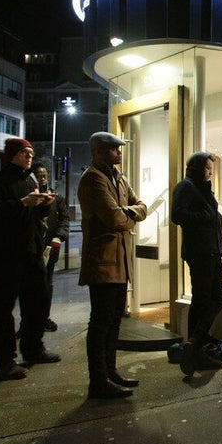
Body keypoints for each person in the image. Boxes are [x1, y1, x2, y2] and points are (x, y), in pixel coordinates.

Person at [0, 138, 62, 381]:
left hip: (32, 252)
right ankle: (5, 361)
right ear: (12, 155)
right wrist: (22, 203)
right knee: (4, 310)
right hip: (5, 255)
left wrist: (45, 205)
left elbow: (38, 215)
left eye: (31, 152)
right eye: (25, 152)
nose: (29, 156)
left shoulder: (30, 179)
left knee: (36, 304)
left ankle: (34, 348)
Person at [77, 132, 148, 398]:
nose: (119, 152)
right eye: (114, 149)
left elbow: (141, 206)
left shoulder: (117, 177)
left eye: (119, 148)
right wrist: (130, 216)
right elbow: (114, 219)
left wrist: (128, 214)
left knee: (114, 319)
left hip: (119, 261)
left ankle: (110, 371)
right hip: (103, 262)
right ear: (98, 151)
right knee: (101, 322)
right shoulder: (94, 178)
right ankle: (98, 380)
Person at [171, 151, 222, 376]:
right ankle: (196, 345)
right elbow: (178, 215)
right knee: (205, 298)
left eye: (211, 168)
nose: (210, 172)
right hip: (200, 252)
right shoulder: (185, 186)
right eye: (207, 168)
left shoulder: (201, 188)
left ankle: (195, 343)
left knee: (214, 298)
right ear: (196, 168)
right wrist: (205, 215)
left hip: (211, 251)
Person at [31, 163, 69, 332]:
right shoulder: (30, 198)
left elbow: (64, 220)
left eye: (45, 175)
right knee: (30, 287)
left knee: (47, 284)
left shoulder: (56, 198)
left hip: (50, 247)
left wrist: (59, 237)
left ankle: (43, 317)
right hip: (32, 248)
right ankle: (30, 322)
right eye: (39, 176)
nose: (43, 178)